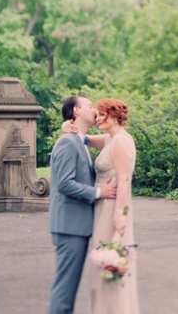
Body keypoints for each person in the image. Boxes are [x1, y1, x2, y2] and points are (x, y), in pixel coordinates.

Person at [63, 98, 140, 314]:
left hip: (113, 209)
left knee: (110, 262)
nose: (98, 118)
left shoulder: (122, 141)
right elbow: (83, 139)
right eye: (96, 114)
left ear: (115, 116)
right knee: (102, 265)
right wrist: (66, 125)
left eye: (102, 114)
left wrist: (119, 215)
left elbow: (124, 180)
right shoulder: (110, 139)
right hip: (102, 208)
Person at [49, 95, 117, 314]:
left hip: (77, 227)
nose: (94, 109)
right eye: (89, 106)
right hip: (69, 227)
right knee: (65, 291)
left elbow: (112, 137)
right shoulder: (67, 143)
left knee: (68, 289)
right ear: (76, 111)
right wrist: (99, 192)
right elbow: (64, 184)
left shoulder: (79, 140)